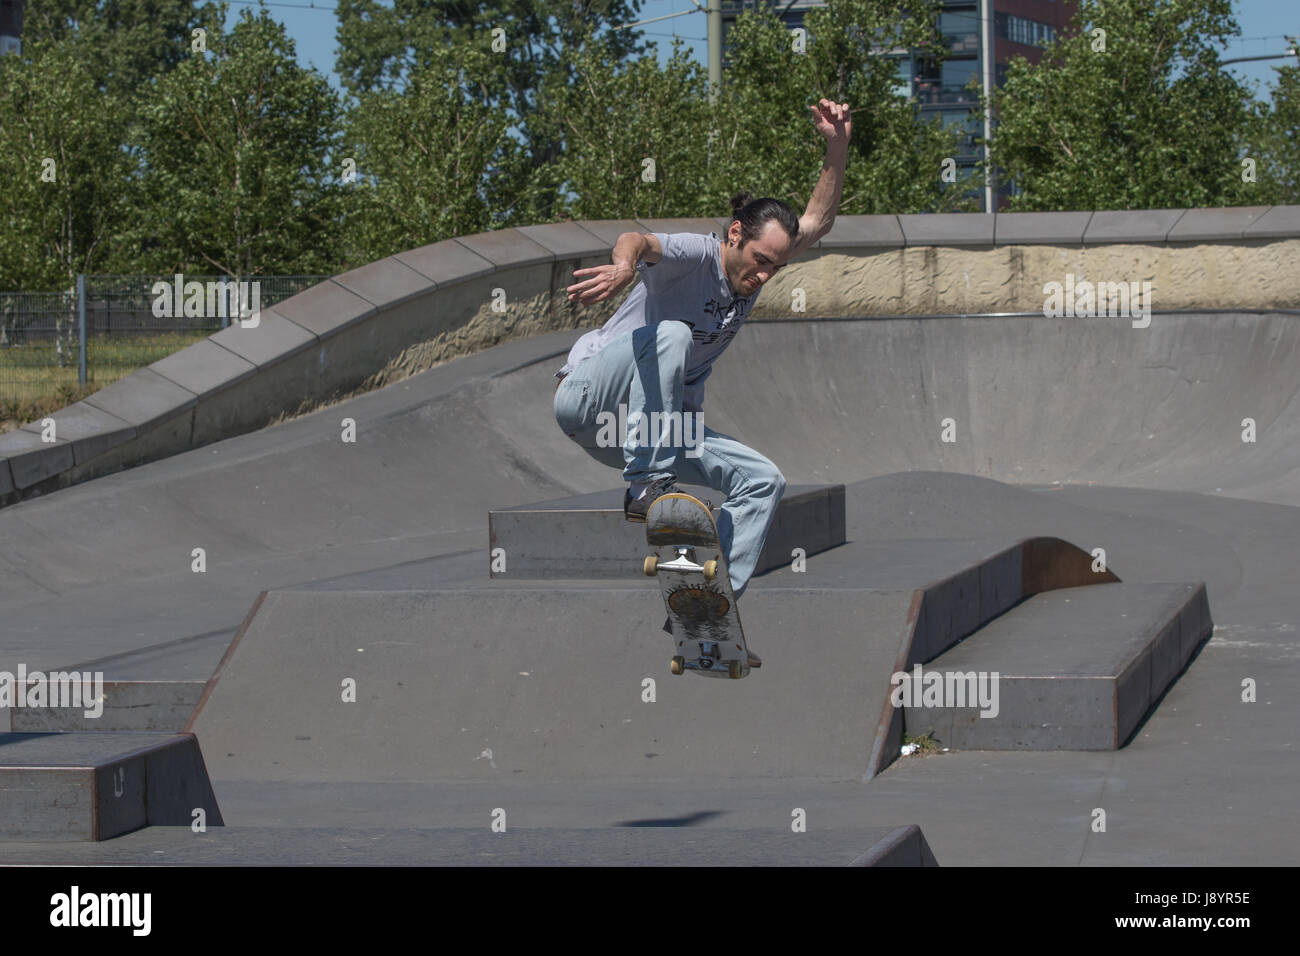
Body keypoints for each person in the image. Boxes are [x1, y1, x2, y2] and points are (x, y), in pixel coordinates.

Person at [553, 99, 852, 664]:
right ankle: (647, 486)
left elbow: (817, 221)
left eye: (774, 268)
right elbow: (637, 241)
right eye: (758, 260)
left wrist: (836, 146)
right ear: (735, 234)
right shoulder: (696, 255)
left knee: (765, 481)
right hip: (589, 401)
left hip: (655, 425)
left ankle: (708, 610)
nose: (761, 275)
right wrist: (622, 267)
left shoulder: (760, 266)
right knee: (671, 336)